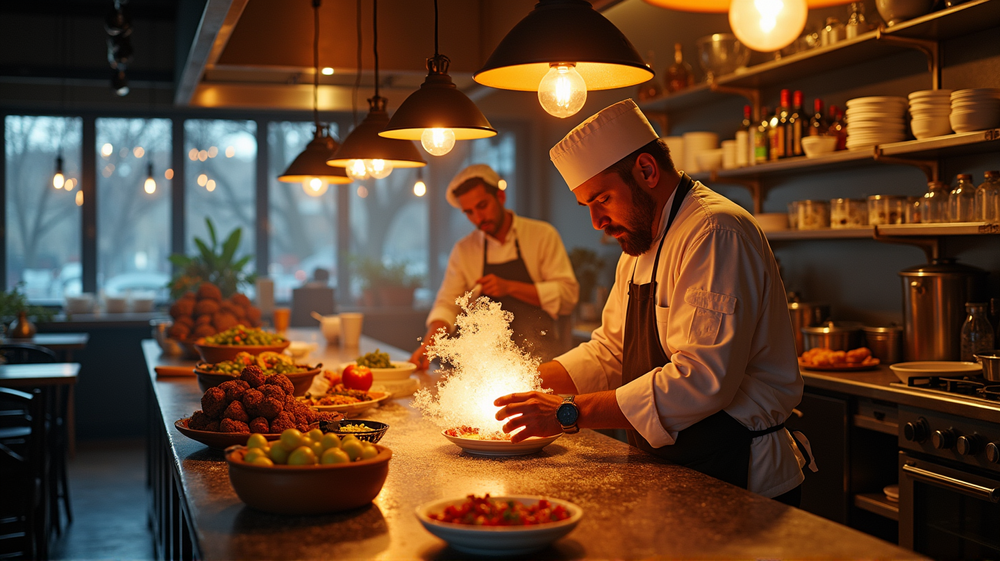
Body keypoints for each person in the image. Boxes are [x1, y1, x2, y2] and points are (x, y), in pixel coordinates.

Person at [493, 100, 809, 505]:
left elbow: (702, 380)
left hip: (739, 474)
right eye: (587, 205)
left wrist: (565, 412)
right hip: (671, 467)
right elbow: (610, 350)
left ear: (646, 170)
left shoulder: (715, 232)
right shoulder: (640, 242)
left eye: (601, 199)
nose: (596, 221)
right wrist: (520, 385)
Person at [410, 164, 579, 368]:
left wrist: (509, 287)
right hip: (484, 364)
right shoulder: (465, 249)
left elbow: (568, 296)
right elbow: (447, 304)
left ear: (501, 197)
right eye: (469, 212)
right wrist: (429, 344)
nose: (478, 219)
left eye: (482, 206)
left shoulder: (542, 235)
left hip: (539, 359)